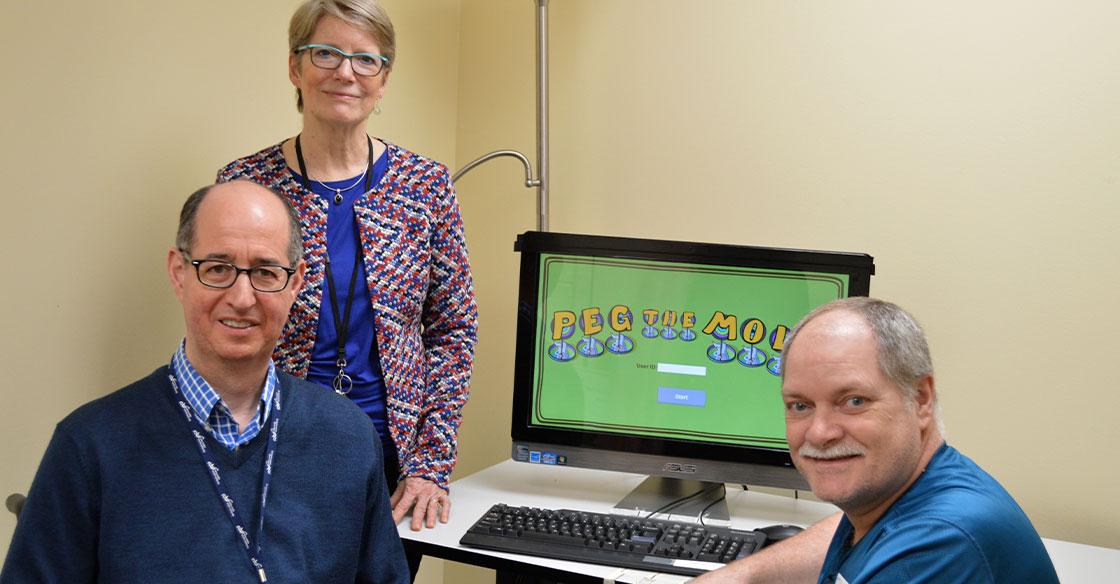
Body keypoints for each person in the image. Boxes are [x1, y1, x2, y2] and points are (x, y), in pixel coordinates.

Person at [0, 181, 409, 584]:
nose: (242, 297)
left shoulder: (349, 438)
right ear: (179, 274)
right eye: (217, 269)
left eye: (266, 272)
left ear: (296, 283)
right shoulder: (90, 446)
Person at [216, 0, 478, 537]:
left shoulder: (424, 186)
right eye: (326, 53)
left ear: (384, 79)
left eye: (366, 59)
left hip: (391, 462)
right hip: (272, 448)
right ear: (296, 67)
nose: (345, 72)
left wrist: (431, 463)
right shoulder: (245, 185)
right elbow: (222, 321)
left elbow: (454, 330)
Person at [693, 297, 1058, 584]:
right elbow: (857, 531)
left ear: (921, 399)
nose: (820, 432)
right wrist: (741, 574)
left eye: (854, 401)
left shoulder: (940, 546)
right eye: (800, 405)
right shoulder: (907, 491)